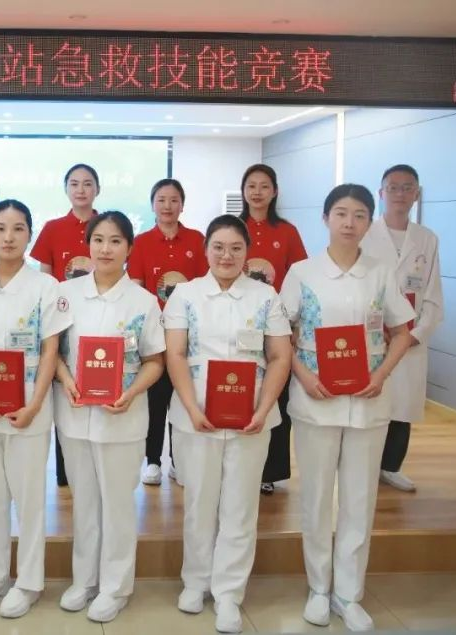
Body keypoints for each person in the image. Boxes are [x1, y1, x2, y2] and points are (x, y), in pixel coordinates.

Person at [278, 184, 416, 632]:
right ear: (326, 218)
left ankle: (348, 594)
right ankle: (319, 588)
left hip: (367, 403)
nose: (349, 223)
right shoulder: (302, 272)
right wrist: (303, 375)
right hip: (315, 400)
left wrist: (381, 375)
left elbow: (402, 330)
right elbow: (280, 334)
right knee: (316, 498)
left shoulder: (380, 271)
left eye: (359, 215)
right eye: (341, 213)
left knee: (360, 499)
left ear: (369, 222)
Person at [163, 214, 292, 633]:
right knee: (199, 501)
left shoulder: (266, 296)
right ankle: (196, 581)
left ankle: (229, 593)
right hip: (195, 414)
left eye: (236, 248)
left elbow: (280, 357)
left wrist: (263, 408)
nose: (226, 255)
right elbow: (175, 354)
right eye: (218, 247)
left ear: (247, 253)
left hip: (251, 417)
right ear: (205, 250)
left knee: (240, 505)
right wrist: (191, 407)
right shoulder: (185, 294)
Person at [0, 199, 70, 618]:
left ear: (30, 235)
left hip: (29, 409)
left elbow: (50, 349)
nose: (8, 237)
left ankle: (28, 581)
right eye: (0, 229)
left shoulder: (46, 287)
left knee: (29, 498)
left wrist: (35, 403)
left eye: (18, 228)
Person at [53, 211, 165, 623]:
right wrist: (66, 379)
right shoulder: (65, 294)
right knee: (84, 502)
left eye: (115, 241)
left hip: (122, 419)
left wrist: (131, 392)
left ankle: (115, 587)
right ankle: (84, 580)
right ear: (88, 244)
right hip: (75, 415)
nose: (105, 248)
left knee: (117, 505)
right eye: (98, 239)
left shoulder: (143, 301)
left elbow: (155, 360)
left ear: (129, 248)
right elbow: (54, 352)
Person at [360, 165, 443, 492]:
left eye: (407, 187)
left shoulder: (427, 239)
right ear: (381, 193)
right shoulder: (365, 233)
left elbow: (433, 295)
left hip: (410, 338)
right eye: (393, 187)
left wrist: (416, 334)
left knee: (403, 405)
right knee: (371, 401)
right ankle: (364, 467)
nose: (400, 193)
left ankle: (391, 467)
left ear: (417, 194)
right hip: (372, 337)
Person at [127, 178, 209, 486]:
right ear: (152, 204)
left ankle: (177, 459)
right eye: (161, 199)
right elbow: (136, 288)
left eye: (174, 200)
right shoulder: (141, 242)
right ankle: (152, 460)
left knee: (184, 395)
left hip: (187, 334)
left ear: (182, 205)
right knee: (155, 400)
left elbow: (204, 288)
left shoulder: (197, 240)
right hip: (154, 334)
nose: (167, 206)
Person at [238, 164, 309, 496]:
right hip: (239, 322)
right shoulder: (234, 228)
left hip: (278, 324)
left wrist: (294, 324)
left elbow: (300, 278)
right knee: (242, 388)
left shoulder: (287, 232)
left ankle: (271, 470)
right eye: (251, 186)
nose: (257, 192)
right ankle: (239, 464)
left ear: (275, 191)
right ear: (243, 191)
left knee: (277, 395)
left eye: (264, 186)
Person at [31, 163, 101, 486]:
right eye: (74, 183)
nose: (81, 190)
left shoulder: (107, 224)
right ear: (66, 189)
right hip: (62, 318)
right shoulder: (53, 228)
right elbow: (46, 278)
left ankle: (96, 463)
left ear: (97, 189)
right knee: (64, 387)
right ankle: (66, 469)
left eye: (87, 183)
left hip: (99, 317)